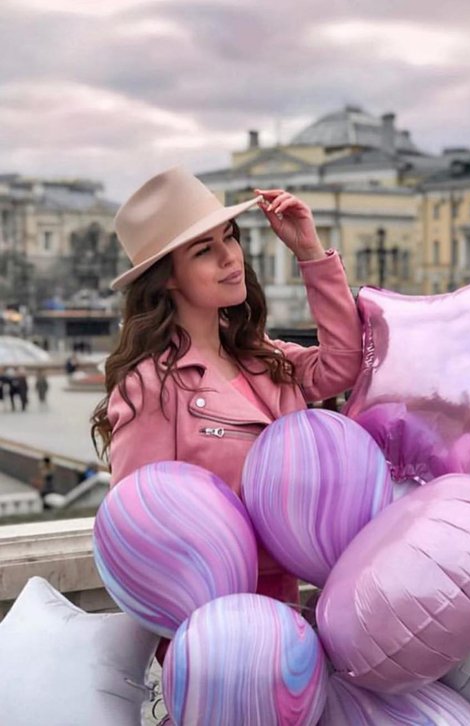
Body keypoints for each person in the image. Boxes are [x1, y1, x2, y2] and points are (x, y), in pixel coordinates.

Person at [90, 167, 363, 656]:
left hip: (294, 622)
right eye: (203, 250)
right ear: (166, 278)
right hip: (218, 643)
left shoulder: (262, 357)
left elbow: (343, 363)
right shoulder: (152, 386)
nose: (230, 257)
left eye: (230, 237)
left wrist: (309, 252)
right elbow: (140, 530)